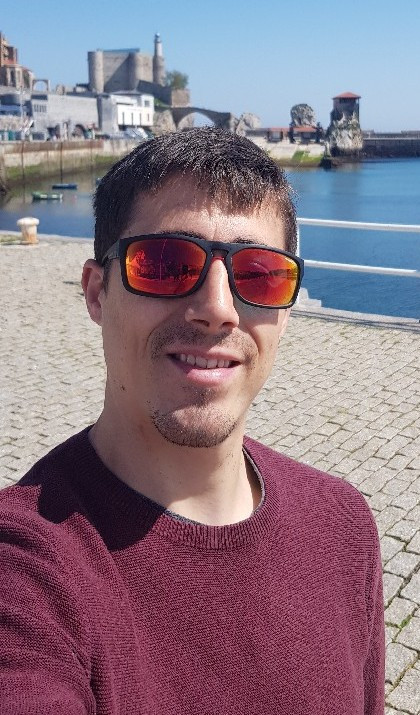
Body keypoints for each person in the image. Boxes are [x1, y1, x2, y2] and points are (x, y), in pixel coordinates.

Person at [0, 128, 384, 714]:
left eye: (259, 274)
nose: (218, 309)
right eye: (165, 264)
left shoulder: (344, 526)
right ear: (97, 292)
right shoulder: (27, 569)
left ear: (286, 311)